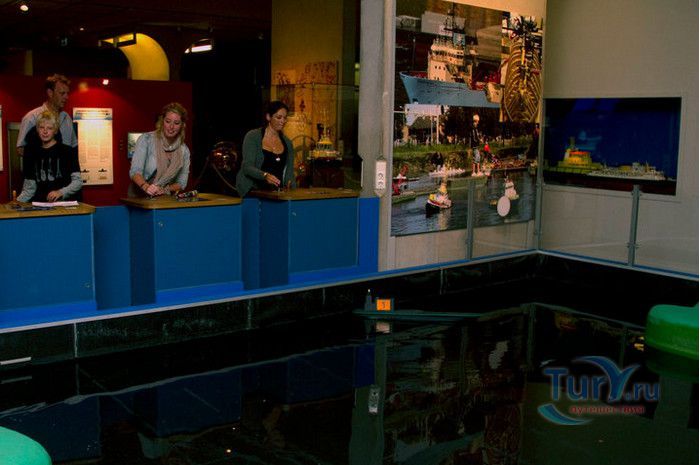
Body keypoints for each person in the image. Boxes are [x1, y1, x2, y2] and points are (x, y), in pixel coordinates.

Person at [15, 110, 82, 202]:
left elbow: (77, 182)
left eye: (49, 128)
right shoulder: (31, 153)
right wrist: (15, 203)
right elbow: (29, 189)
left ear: (55, 130)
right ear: (37, 129)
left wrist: (61, 192)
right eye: (41, 127)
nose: (45, 131)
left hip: (64, 205)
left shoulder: (68, 151)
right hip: (41, 205)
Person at [129, 102, 191, 197]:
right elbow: (135, 171)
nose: (171, 127)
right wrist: (146, 187)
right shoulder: (146, 139)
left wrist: (164, 190)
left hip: (162, 196)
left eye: (176, 123)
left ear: (182, 125)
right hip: (139, 194)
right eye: (168, 121)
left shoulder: (184, 151)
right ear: (162, 121)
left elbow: (182, 183)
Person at [236, 101, 296, 197]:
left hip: (275, 194)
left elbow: (289, 173)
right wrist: (265, 176)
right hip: (252, 191)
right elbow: (247, 167)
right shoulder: (253, 136)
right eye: (278, 117)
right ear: (268, 117)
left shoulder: (288, 143)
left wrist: (291, 190)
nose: (283, 121)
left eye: (285, 118)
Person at [16, 74, 78, 157]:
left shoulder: (67, 118)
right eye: (62, 93)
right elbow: (20, 150)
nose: (66, 97)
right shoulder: (32, 117)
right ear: (50, 93)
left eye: (67, 93)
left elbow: (73, 147)